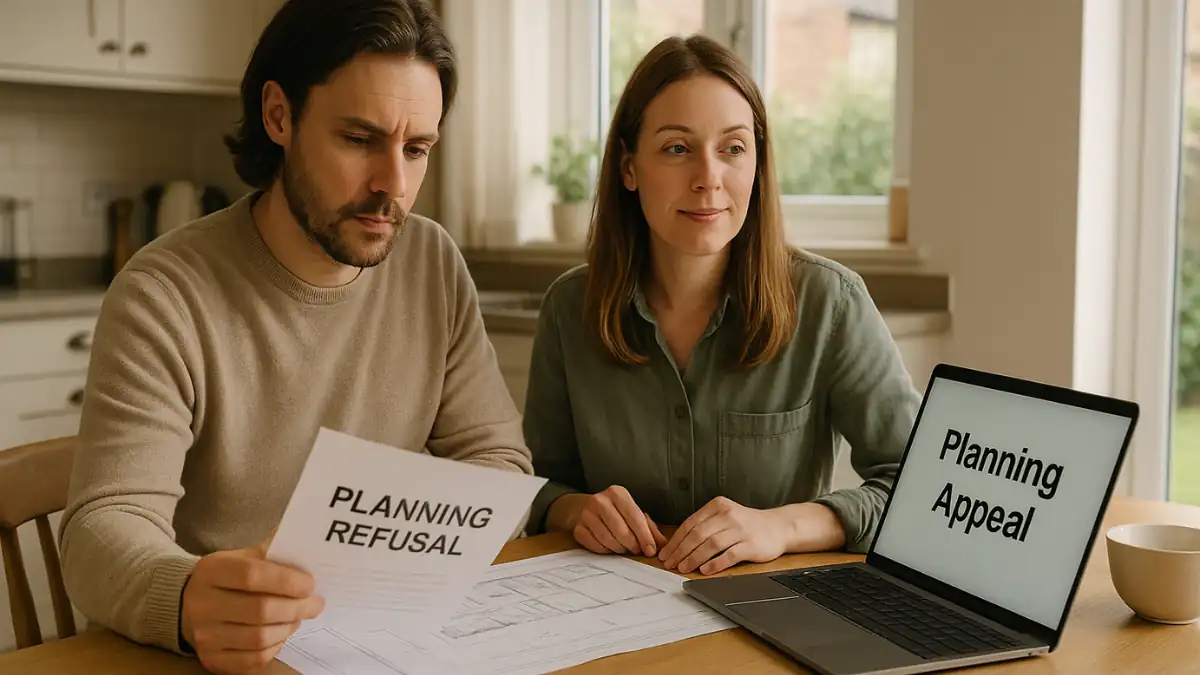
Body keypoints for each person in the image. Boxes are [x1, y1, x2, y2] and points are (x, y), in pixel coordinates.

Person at [58, 1, 533, 672]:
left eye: (417, 149)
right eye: (360, 139)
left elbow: (501, 468)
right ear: (279, 116)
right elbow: (101, 530)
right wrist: (190, 598)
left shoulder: (432, 264)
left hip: (378, 644)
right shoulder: (163, 294)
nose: (392, 185)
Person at [522, 34, 920, 578]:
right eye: (677, 148)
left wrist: (782, 526)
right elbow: (538, 485)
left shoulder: (832, 303)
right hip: (611, 617)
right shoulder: (570, 308)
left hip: (773, 619)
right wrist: (574, 510)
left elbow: (918, 490)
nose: (709, 178)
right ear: (629, 168)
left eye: (733, 148)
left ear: (757, 165)